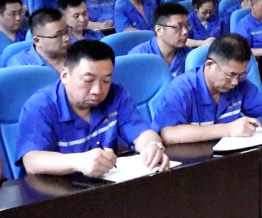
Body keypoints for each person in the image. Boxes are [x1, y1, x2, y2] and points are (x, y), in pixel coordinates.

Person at [16, 40, 169, 177]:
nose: (98, 90)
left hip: (103, 184)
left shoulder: (116, 94)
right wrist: (79, 161)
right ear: (65, 76)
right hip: (53, 190)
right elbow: (32, 161)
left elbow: (141, 132)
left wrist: (153, 146)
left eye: (106, 80)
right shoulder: (40, 106)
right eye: (88, 80)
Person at [152, 34, 262, 144]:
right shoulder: (181, 89)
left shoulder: (241, 84)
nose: (235, 81)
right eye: (230, 75)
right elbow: (168, 134)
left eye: (241, 75)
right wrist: (227, 129)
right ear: (209, 65)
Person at [128, 3, 191, 77]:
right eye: (178, 27)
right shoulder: (138, 57)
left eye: (187, 26)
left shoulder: (189, 54)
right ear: (159, 30)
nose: (185, 31)